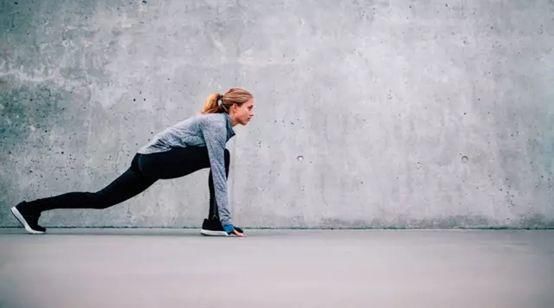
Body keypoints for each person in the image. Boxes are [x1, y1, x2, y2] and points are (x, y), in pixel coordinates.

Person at [10, 87, 254, 237]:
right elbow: (219, 174)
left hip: (146, 160)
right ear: (234, 108)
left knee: (100, 199)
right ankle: (215, 223)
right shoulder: (215, 124)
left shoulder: (217, 123)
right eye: (249, 108)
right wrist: (227, 222)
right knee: (222, 157)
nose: (252, 113)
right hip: (155, 160)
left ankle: (30, 208)